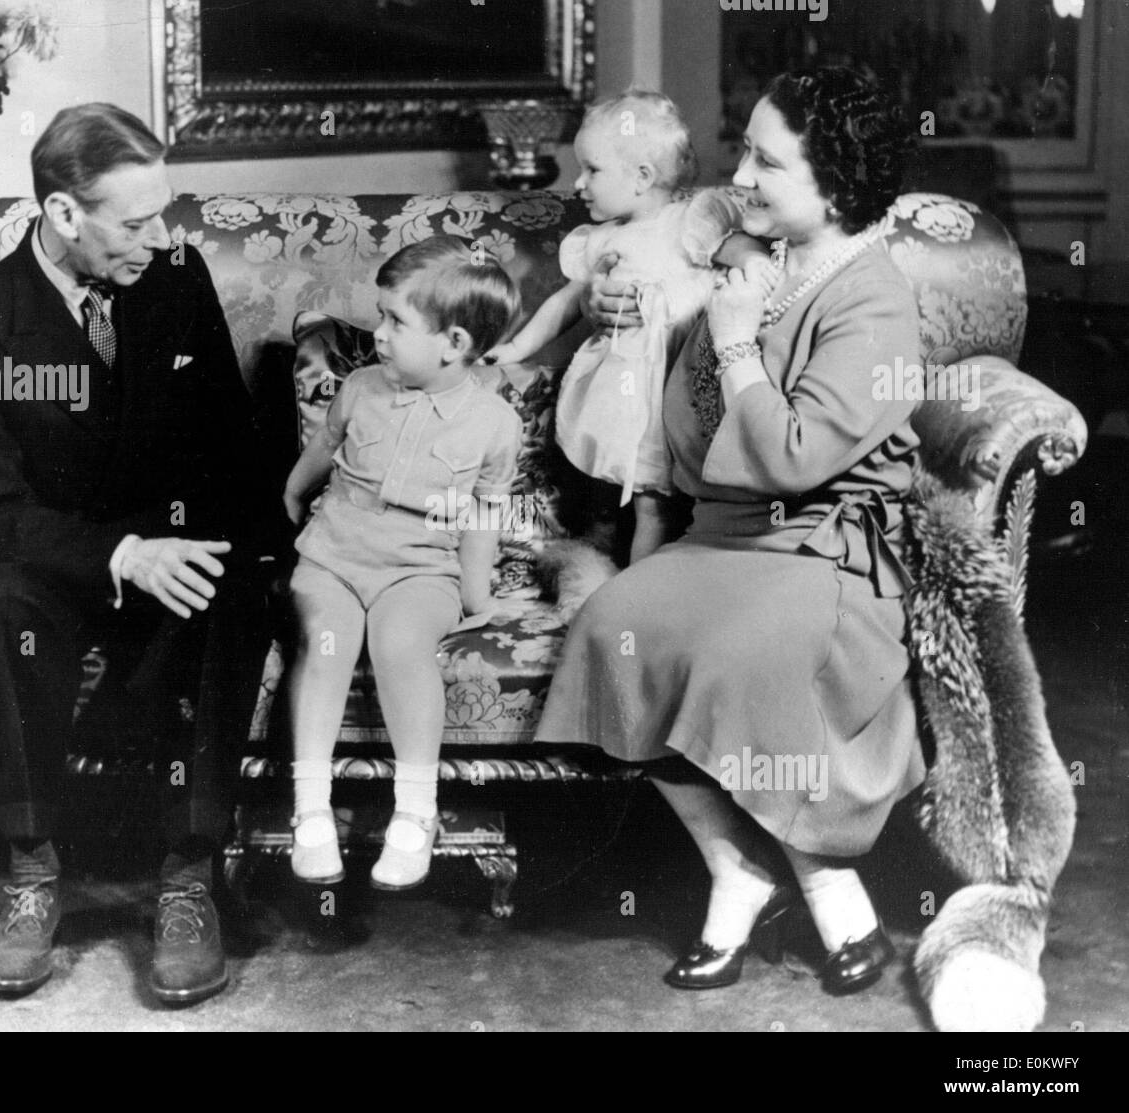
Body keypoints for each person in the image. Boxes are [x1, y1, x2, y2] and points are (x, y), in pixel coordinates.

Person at [536, 68, 923, 995]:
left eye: (767, 160)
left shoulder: (873, 300)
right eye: (742, 145)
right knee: (617, 628)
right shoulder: (750, 254)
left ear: (833, 184)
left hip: (824, 553)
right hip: (726, 536)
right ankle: (734, 866)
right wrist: (633, 312)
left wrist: (741, 341)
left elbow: (793, 459)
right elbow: (686, 419)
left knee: (735, 651)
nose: (738, 174)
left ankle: (827, 885)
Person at [0, 103, 286, 1005]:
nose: (159, 237)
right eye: (135, 220)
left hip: (173, 546)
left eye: (163, 213)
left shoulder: (173, 275)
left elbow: (227, 446)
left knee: (227, 585)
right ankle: (33, 871)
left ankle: (188, 877)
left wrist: (236, 552)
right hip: (53, 571)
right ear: (62, 214)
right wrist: (127, 552)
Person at [282, 235, 523, 891]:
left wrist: (477, 595)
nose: (378, 333)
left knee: (401, 643)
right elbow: (325, 449)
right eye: (380, 316)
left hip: (420, 566)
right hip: (335, 552)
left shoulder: (495, 422)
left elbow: (481, 518)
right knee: (325, 644)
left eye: (395, 322)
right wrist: (293, 489)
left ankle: (415, 812)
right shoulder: (360, 387)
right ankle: (311, 810)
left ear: (454, 343)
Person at [485, 89, 763, 564]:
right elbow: (566, 301)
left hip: (672, 389)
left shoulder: (691, 220)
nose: (578, 184)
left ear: (641, 177)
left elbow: (736, 248)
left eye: (592, 170)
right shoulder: (601, 239)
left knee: (657, 506)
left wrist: (755, 266)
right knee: (618, 498)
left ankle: (640, 596)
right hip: (618, 396)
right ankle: (610, 577)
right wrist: (516, 347)